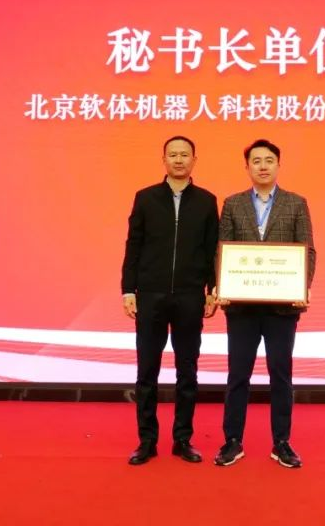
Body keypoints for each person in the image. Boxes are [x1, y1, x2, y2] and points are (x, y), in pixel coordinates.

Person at [213, 139, 316, 469]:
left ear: (278, 165)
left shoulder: (296, 203)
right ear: (247, 167)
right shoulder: (232, 204)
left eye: (268, 160)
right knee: (238, 375)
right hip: (241, 307)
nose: (262, 166)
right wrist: (221, 285)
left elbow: (307, 251)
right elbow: (222, 249)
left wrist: (302, 287)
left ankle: (281, 442)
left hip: (282, 308)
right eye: (256, 161)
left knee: (281, 375)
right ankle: (232, 441)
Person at [121, 136, 219, 465]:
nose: (179, 160)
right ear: (163, 160)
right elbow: (133, 246)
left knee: (187, 371)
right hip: (150, 296)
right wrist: (128, 289)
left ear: (194, 160)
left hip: (190, 297)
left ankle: (182, 439)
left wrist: (213, 288)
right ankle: (147, 441)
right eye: (173, 154)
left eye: (184, 155)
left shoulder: (206, 201)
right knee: (147, 371)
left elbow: (212, 250)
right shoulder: (146, 198)